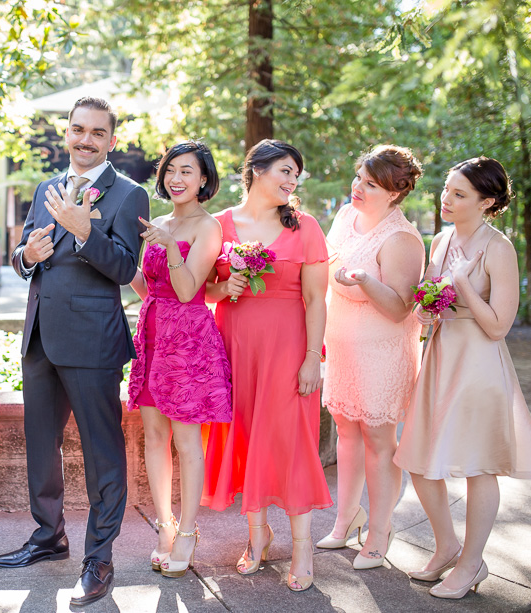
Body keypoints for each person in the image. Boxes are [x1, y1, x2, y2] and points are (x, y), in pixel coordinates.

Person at [0, 96, 150, 606]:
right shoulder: (44, 187)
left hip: (92, 340)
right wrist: (25, 256)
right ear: (68, 132)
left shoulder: (129, 195)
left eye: (96, 133)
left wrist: (86, 232)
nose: (85, 140)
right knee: (42, 445)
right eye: (77, 129)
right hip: (40, 334)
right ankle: (48, 537)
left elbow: (128, 270)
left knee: (102, 452)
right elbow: (25, 255)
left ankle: (100, 558)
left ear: (111, 140)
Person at [394, 157, 531, 599]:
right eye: (447, 189)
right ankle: (447, 547)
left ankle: (471, 563)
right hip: (441, 357)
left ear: (487, 202)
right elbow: (426, 303)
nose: (447, 198)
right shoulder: (440, 240)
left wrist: (461, 286)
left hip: (479, 363)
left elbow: (499, 325)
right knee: (420, 459)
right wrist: (425, 309)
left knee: (478, 466)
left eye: (459, 194)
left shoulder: (498, 248)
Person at [202, 139, 332, 593]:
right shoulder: (218, 224)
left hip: (289, 348)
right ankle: (258, 536)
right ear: (256, 170)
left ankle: (302, 545)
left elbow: (316, 298)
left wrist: (313, 357)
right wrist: (225, 286)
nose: (291, 180)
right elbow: (203, 292)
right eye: (284, 170)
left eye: (296, 174)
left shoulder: (307, 227)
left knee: (291, 442)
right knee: (243, 437)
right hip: (234, 346)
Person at [317, 145, 425, 569]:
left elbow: (400, 307)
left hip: (382, 351)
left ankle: (380, 531)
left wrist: (363, 280)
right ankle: (346, 519)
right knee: (346, 431)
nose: (358, 188)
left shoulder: (402, 238)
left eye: (371, 184)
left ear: (395, 193)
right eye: (359, 177)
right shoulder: (345, 216)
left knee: (380, 441)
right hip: (342, 346)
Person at [127, 141, 232, 578]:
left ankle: (188, 532)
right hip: (153, 334)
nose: (176, 179)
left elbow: (190, 292)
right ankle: (165, 529)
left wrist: (171, 247)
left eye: (187, 171)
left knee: (188, 443)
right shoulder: (161, 222)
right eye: (171, 170)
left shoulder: (208, 228)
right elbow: (145, 286)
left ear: (204, 179)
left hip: (187, 340)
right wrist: (96, 248)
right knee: (154, 436)